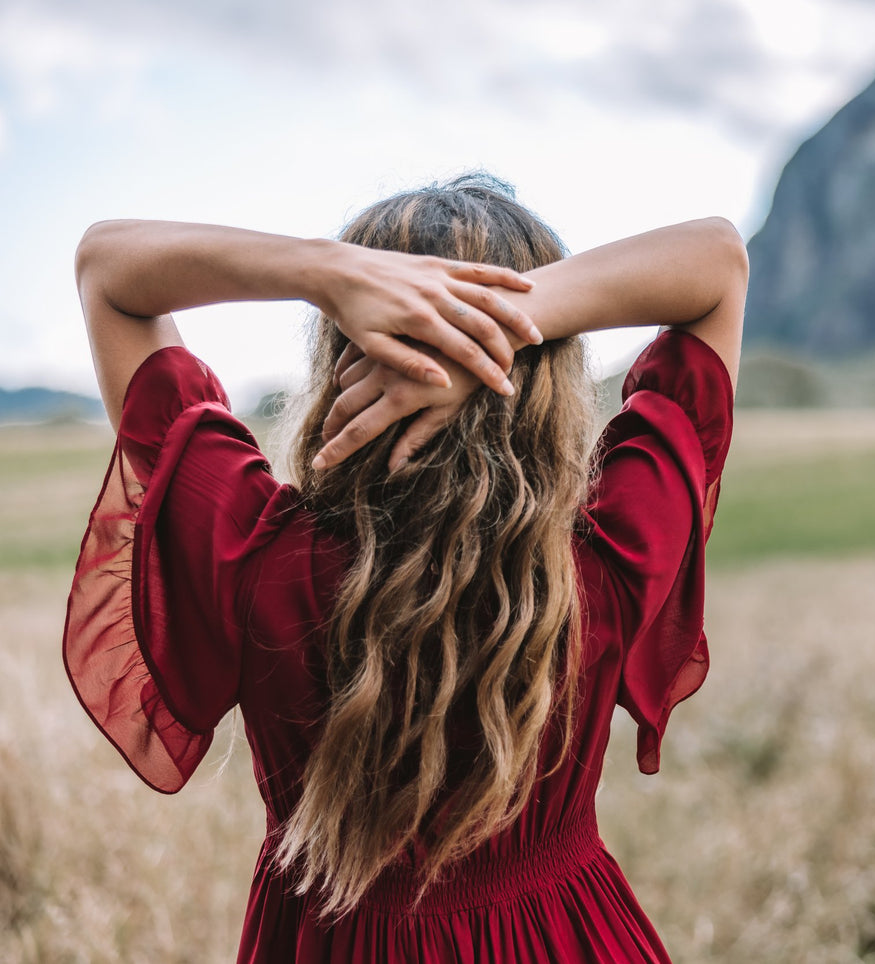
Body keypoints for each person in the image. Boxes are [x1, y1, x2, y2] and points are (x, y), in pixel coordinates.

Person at [63, 172, 746, 962]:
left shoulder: (254, 555)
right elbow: (717, 264)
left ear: (339, 346)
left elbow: (107, 269)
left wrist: (325, 272)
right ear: (550, 376)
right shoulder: (608, 557)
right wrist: (506, 325)